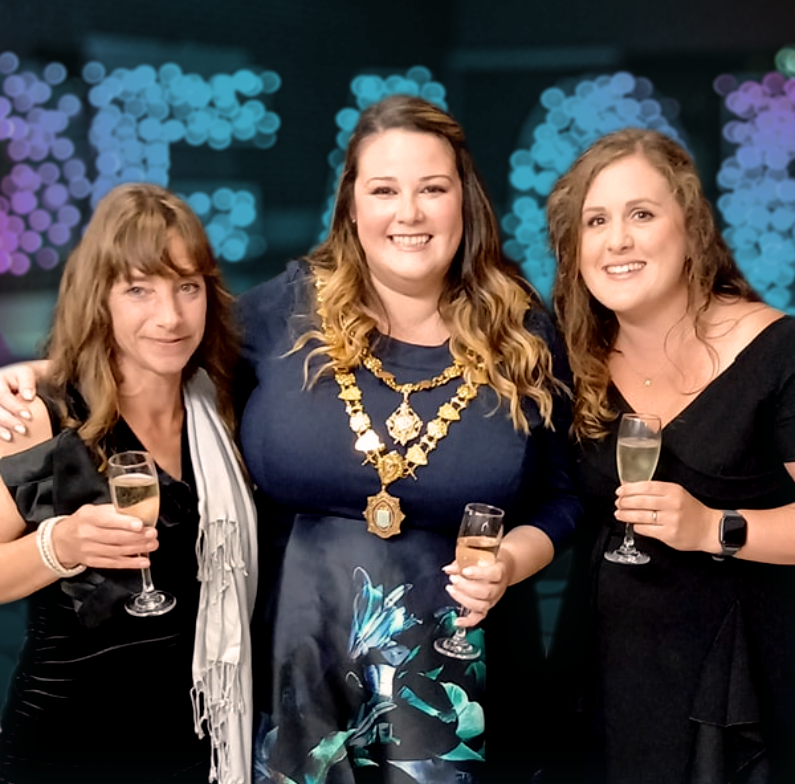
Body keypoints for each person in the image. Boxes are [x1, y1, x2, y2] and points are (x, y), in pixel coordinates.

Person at [0, 95, 581, 784]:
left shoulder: (523, 332)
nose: (409, 212)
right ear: (351, 206)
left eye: (433, 188)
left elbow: (563, 495)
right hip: (291, 686)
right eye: (384, 189)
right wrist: (42, 373)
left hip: (463, 689)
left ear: (466, 200)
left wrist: (512, 559)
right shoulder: (286, 312)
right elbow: (165, 341)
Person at [546, 127, 795, 784]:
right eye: (594, 221)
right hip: (605, 679)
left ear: (690, 227)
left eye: (640, 214)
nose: (616, 240)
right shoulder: (572, 362)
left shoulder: (776, 350)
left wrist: (712, 526)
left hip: (740, 689)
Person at [0, 183, 257, 784]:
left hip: (198, 743)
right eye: (139, 289)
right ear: (101, 298)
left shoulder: (223, 407)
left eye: (186, 287)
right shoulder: (41, 417)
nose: (169, 316)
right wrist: (59, 546)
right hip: (66, 746)